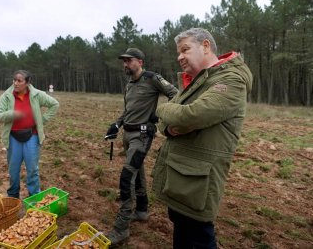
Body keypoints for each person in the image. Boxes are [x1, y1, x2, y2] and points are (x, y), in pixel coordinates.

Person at [152, 28, 253, 248]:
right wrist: (171, 127)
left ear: (205, 46)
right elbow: (165, 126)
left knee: (198, 237)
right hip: (182, 176)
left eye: (185, 50)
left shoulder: (231, 79)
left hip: (198, 182)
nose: (179, 57)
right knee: (182, 230)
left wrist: (162, 108)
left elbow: (192, 115)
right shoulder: (197, 81)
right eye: (178, 52)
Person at [105, 48, 178, 245]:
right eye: (124, 61)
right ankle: (142, 211)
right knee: (137, 171)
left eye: (128, 61)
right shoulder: (129, 84)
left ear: (140, 61)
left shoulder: (152, 79)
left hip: (142, 136)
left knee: (127, 175)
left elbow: (176, 95)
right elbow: (127, 110)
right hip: (127, 135)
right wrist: (116, 124)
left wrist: (159, 114)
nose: (125, 64)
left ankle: (121, 229)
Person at [0, 70, 59, 199]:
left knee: (32, 170)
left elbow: (54, 104)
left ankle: (34, 197)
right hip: (13, 137)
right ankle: (13, 197)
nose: (15, 83)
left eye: (19, 81)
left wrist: (42, 120)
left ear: (27, 83)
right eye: (14, 80)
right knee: (13, 170)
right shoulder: (7, 96)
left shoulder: (37, 95)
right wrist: (12, 114)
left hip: (32, 136)